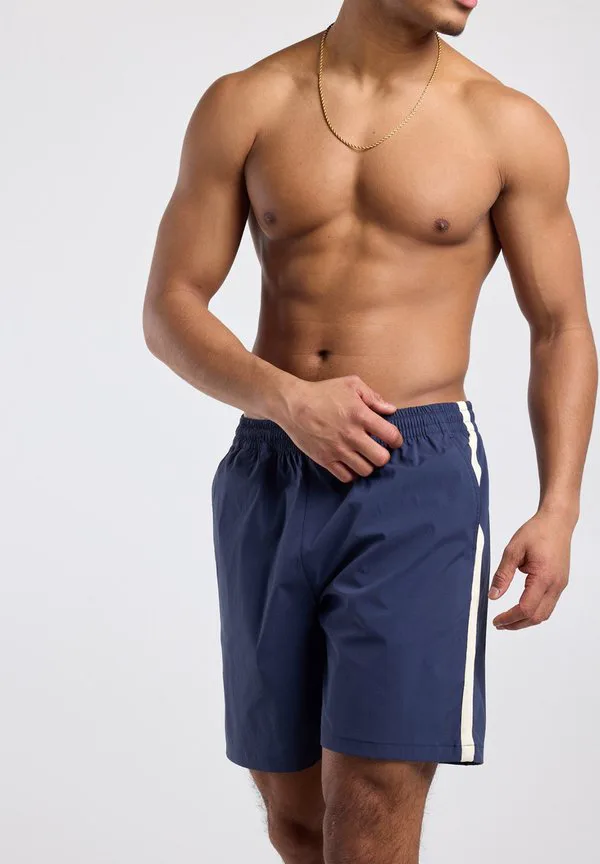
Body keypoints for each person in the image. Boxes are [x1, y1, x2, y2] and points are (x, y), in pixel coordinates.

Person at [142, 1, 597, 861]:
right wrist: (285, 400)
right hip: (271, 463)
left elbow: (561, 327)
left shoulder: (507, 126)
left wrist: (560, 507)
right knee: (294, 812)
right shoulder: (247, 103)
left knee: (373, 800)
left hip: (415, 472)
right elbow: (169, 307)